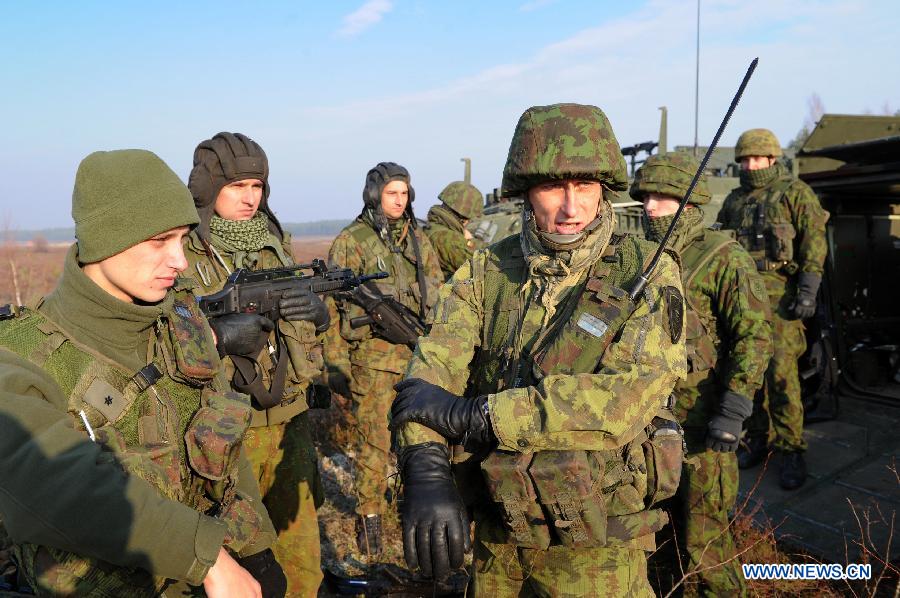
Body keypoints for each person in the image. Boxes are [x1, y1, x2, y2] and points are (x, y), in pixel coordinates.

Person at [390, 103, 687, 596]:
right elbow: (432, 367)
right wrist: (424, 462)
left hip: (596, 544)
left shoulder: (647, 270)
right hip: (496, 529)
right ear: (526, 193)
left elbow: (627, 398)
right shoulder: (489, 270)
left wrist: (481, 417)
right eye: (553, 188)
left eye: (586, 187)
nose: (572, 208)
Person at [0, 149, 284, 597]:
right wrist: (208, 557)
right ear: (104, 240)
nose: (180, 261)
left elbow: (222, 441)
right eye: (159, 241)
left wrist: (256, 549)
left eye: (183, 240)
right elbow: (62, 487)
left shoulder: (180, 323)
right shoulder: (18, 357)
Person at [183, 132, 328, 597]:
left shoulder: (274, 242)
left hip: (288, 421)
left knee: (302, 561)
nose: (250, 198)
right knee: (236, 570)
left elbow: (300, 328)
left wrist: (319, 315)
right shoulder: (182, 252)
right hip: (222, 431)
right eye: (237, 186)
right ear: (207, 189)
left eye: (257, 187)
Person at [632, 151, 773, 596]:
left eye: (661, 198)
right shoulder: (639, 257)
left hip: (702, 425)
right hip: (647, 425)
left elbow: (753, 337)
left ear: (688, 203)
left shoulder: (722, 257)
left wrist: (733, 410)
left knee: (706, 544)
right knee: (656, 542)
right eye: (645, 197)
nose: (649, 206)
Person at [325, 162, 442, 555]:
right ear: (375, 194)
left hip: (416, 358)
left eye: (405, 193)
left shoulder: (418, 241)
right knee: (373, 444)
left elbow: (437, 296)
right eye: (392, 193)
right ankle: (370, 517)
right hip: (371, 362)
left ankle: (409, 506)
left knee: (416, 439)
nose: (399, 200)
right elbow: (331, 307)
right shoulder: (352, 241)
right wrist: (335, 363)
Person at [716, 129, 828, 490]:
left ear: (772, 158)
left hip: (780, 298)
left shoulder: (794, 193)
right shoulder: (735, 200)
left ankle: (791, 448)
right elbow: (719, 246)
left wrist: (808, 291)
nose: (751, 165)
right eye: (745, 159)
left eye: (757, 158)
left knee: (781, 376)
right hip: (743, 299)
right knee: (749, 372)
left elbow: (814, 241)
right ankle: (758, 438)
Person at [425, 181, 484, 280]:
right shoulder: (448, 238)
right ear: (465, 216)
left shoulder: (433, 227)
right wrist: (471, 242)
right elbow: (479, 269)